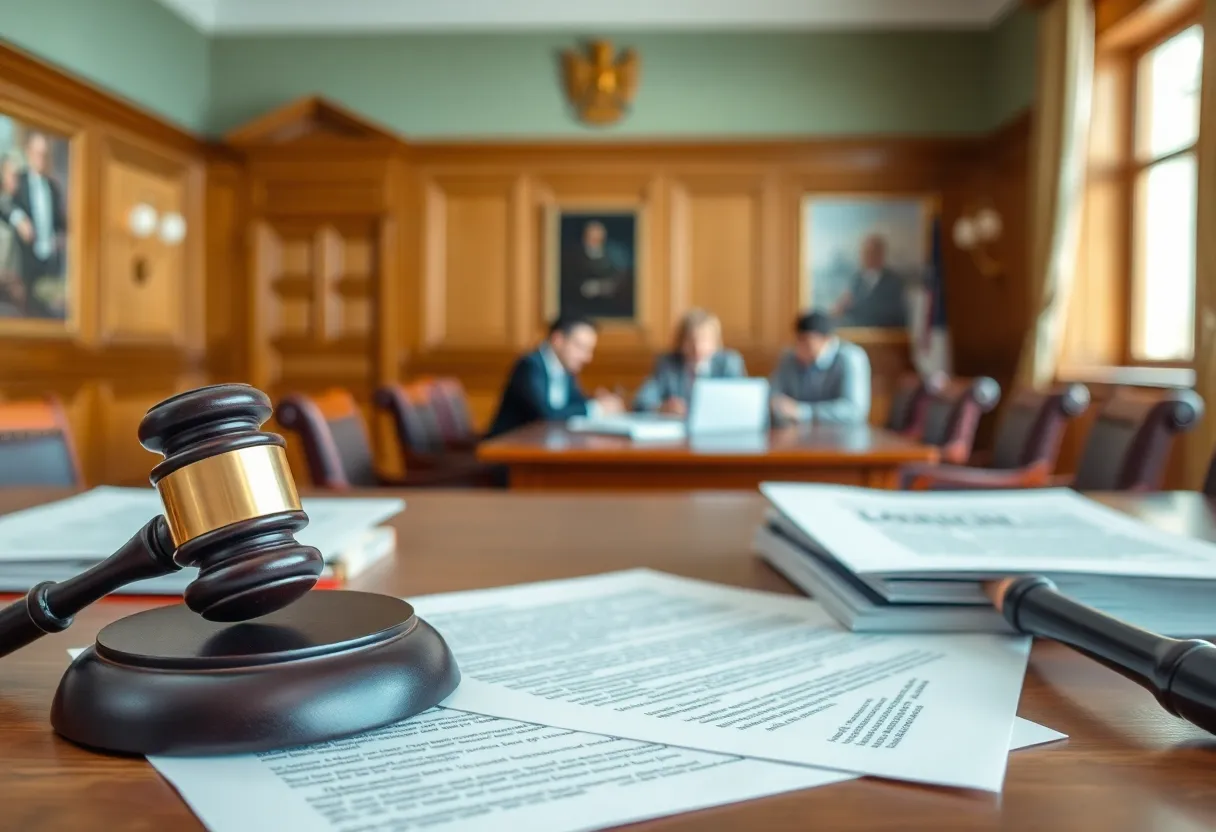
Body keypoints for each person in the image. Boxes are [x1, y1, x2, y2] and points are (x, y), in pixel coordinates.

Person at [486, 315, 625, 438]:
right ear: (558, 340)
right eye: (581, 348)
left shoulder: (566, 368)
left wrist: (596, 400)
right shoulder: (530, 366)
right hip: (505, 453)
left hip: (540, 446)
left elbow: (573, 404)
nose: (587, 358)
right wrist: (596, 408)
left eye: (589, 350)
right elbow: (546, 415)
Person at [1, 132, 67, 319]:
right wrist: (18, 218)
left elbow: (60, 223)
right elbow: (3, 205)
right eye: (38, 153)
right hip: (23, 262)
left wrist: (59, 236)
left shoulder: (53, 187)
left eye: (44, 154)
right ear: (29, 153)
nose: (41, 159)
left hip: (50, 262)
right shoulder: (18, 181)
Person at [633, 308, 746, 414]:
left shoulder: (729, 363)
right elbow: (642, 401)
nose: (697, 347)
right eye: (691, 340)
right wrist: (662, 407)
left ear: (716, 342)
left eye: (704, 339)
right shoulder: (668, 363)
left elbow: (742, 403)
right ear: (680, 342)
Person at [769, 310, 871, 425]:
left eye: (806, 342)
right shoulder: (789, 359)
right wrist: (777, 405)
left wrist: (804, 412)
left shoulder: (850, 358)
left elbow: (854, 411)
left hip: (839, 437)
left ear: (827, 340)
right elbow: (774, 396)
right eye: (798, 341)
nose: (799, 348)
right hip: (795, 435)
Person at [559, 218, 635, 320]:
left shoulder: (613, 256)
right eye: (591, 236)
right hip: (579, 308)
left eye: (598, 236)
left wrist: (603, 287)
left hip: (609, 308)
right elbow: (567, 282)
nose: (595, 239)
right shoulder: (572, 257)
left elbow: (620, 280)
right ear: (584, 236)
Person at [831, 233, 907, 329]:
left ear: (881, 254)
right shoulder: (857, 280)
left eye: (871, 253)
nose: (866, 257)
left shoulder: (894, 282)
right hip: (860, 336)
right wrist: (841, 307)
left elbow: (891, 313)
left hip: (886, 338)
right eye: (864, 253)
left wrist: (850, 306)